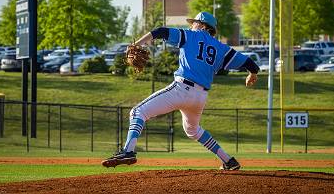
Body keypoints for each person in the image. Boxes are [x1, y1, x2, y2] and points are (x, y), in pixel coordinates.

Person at [102, 12, 259, 170]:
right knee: (192, 130)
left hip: (182, 89)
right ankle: (228, 160)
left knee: (137, 112)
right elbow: (251, 63)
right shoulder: (221, 48)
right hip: (200, 97)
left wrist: (137, 43)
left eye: (194, 22)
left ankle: (128, 151)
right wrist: (252, 73)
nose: (191, 25)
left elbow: (160, 31)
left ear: (202, 25)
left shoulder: (190, 35)